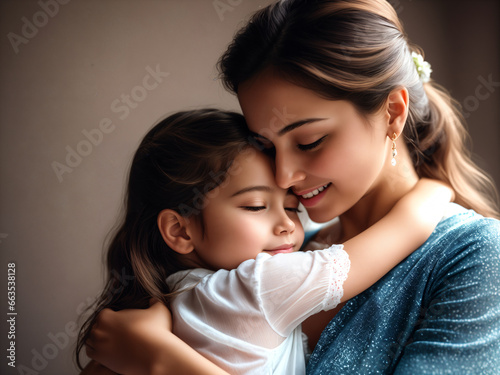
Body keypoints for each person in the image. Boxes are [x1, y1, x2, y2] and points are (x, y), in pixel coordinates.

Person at [83, 0, 500, 373]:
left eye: (308, 142)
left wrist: (161, 359)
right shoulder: (273, 250)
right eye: (266, 146)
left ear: (392, 113)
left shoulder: (475, 256)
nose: (283, 177)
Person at [76, 107, 451, 375]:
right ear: (179, 230)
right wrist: (435, 190)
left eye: (292, 206)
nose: (287, 225)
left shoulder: (169, 300)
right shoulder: (257, 286)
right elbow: (407, 228)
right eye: (256, 206)